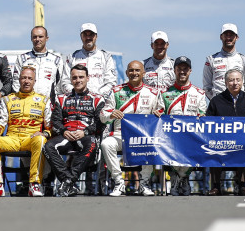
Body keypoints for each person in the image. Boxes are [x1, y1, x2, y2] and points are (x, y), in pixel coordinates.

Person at [0, 65, 53, 197]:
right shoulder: (8, 99)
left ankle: (34, 184)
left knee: (41, 140)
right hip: (12, 139)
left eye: (30, 78)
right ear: (19, 80)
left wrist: (45, 133)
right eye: (24, 78)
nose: (26, 81)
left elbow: (50, 126)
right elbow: (1, 120)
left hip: (31, 138)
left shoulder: (44, 100)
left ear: (34, 81)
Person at [43, 64, 109, 197]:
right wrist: (63, 131)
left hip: (86, 136)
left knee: (92, 143)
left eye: (81, 77)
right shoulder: (61, 98)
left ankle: (67, 181)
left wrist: (85, 132)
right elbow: (55, 121)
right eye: (74, 78)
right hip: (66, 135)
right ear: (71, 80)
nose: (78, 80)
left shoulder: (97, 99)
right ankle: (68, 181)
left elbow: (101, 123)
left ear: (87, 78)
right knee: (47, 146)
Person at [101, 60, 164, 196]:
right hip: (120, 135)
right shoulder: (116, 91)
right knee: (106, 144)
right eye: (131, 70)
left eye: (137, 70)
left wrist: (158, 114)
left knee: (152, 144)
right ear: (126, 73)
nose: (134, 73)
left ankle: (144, 183)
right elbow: (103, 115)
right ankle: (119, 182)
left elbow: (161, 112)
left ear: (143, 73)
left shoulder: (153, 93)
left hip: (143, 136)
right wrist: (111, 114)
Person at [159, 56, 209, 195]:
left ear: (190, 71)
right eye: (179, 69)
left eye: (185, 69)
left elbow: (203, 115)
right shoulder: (165, 93)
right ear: (174, 70)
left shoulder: (199, 93)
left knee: (193, 145)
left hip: (191, 137)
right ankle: (180, 179)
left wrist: (202, 117)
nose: (182, 71)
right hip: (171, 138)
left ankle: (180, 178)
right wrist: (158, 113)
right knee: (170, 146)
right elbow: (160, 113)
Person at [205, 69, 245, 194]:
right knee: (213, 148)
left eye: (238, 80)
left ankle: (242, 185)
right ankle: (216, 186)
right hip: (221, 143)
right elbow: (208, 123)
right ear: (225, 82)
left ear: (242, 82)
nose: (235, 83)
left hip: (243, 143)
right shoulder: (216, 101)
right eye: (231, 80)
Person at [13, 26, 70, 99]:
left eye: (40, 37)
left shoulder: (57, 60)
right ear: (31, 39)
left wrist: (56, 101)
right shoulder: (22, 58)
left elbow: (60, 85)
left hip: (48, 102)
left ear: (47, 38)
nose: (37, 39)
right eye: (34, 37)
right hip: (26, 101)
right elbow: (16, 83)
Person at [203, 23, 245, 100]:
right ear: (221, 37)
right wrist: (216, 101)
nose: (228, 37)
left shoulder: (244, 60)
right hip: (219, 103)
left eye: (231, 35)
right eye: (226, 35)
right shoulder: (211, 60)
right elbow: (207, 87)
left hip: (239, 103)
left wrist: (242, 102)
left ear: (237, 37)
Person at [67, 22, 117, 98]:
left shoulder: (106, 57)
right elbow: (65, 82)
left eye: (91, 35)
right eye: (85, 35)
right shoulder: (72, 57)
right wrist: (77, 95)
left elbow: (111, 82)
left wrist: (97, 97)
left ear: (96, 36)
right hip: (76, 101)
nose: (88, 38)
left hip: (100, 100)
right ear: (81, 36)